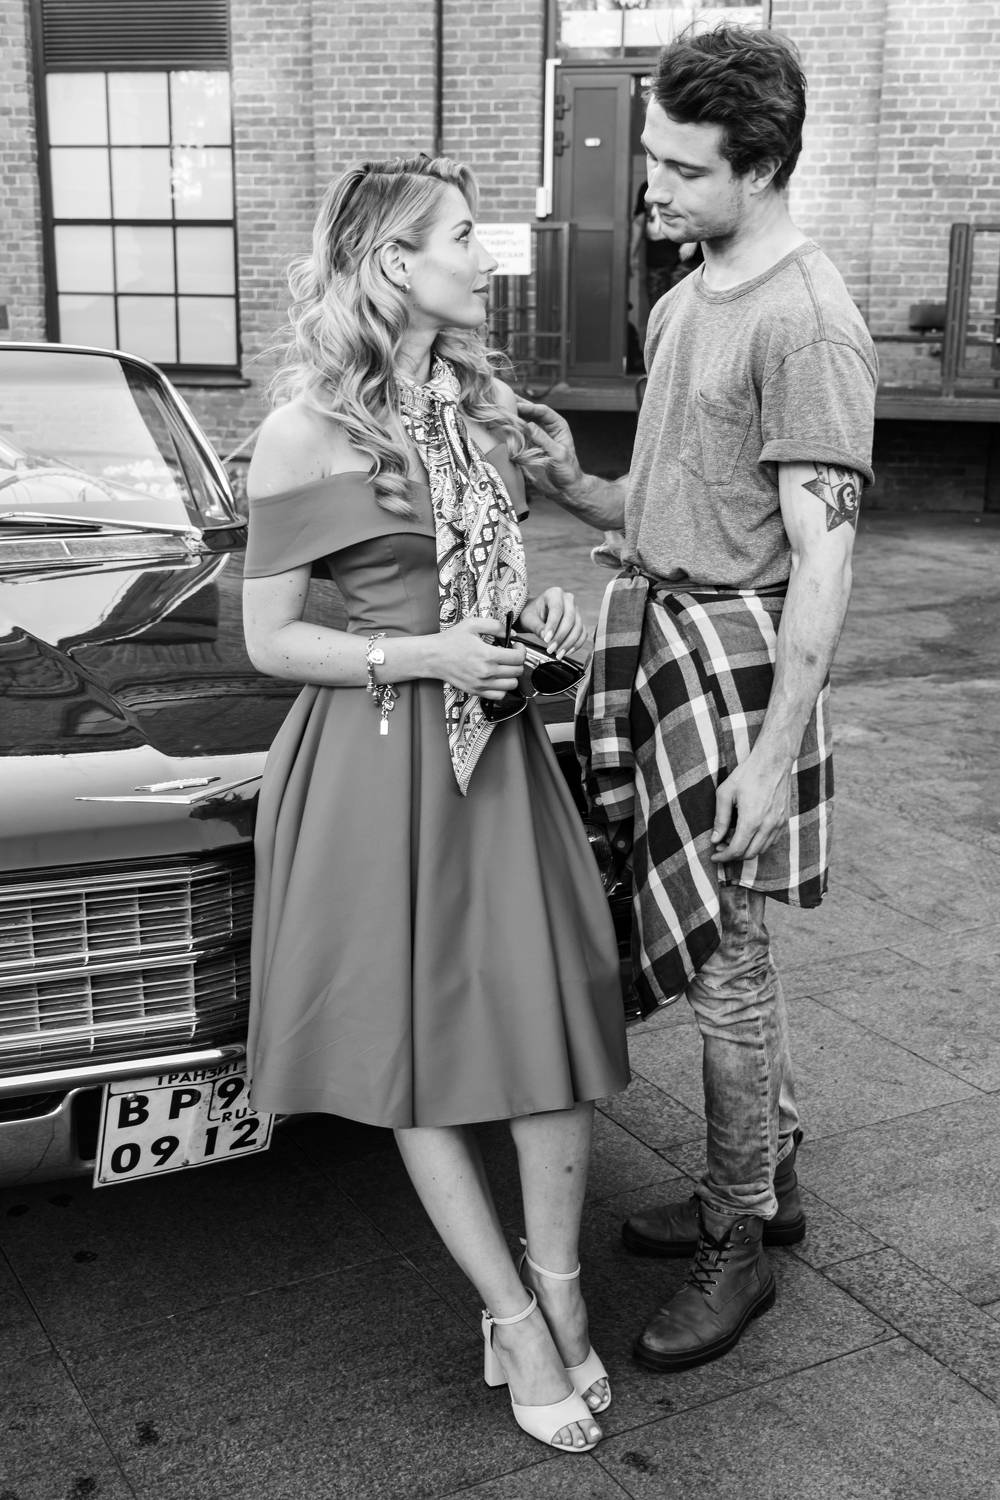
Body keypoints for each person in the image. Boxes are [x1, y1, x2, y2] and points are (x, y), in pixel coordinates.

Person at [241, 155, 630, 1451]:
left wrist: (538, 625)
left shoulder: (485, 413)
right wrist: (425, 655)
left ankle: (560, 1288)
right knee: (415, 1056)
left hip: (500, 756)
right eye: (464, 236)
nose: (487, 256)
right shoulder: (308, 432)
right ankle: (511, 1319)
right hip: (375, 764)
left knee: (545, 1028)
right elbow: (273, 640)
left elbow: (494, 593)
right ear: (395, 264)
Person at [517, 27, 877, 1374]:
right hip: (661, 637)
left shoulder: (808, 322)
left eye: (681, 166)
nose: (650, 184)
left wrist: (774, 756)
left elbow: (823, 560)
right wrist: (574, 483)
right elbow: (666, 508)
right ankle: (764, 1181)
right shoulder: (684, 302)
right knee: (709, 943)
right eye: (653, 156)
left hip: (738, 663)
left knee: (729, 960)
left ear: (762, 165)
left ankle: (740, 1236)